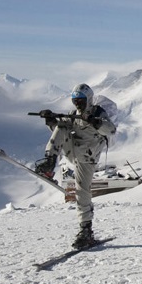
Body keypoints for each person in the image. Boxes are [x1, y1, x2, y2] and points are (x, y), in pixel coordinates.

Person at [35, 83, 117, 249]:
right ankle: (50, 161)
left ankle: (85, 229)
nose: (78, 104)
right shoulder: (74, 115)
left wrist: (95, 122)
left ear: (88, 99)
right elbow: (59, 131)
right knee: (61, 125)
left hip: (87, 157)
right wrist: (51, 121)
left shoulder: (98, 113)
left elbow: (111, 130)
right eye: (75, 100)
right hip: (74, 152)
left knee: (82, 191)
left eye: (80, 100)